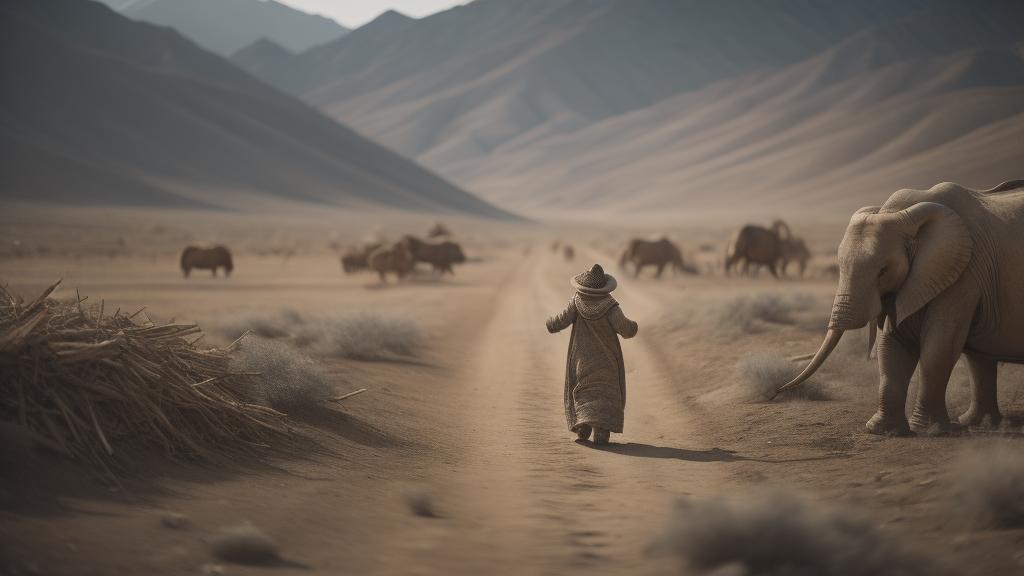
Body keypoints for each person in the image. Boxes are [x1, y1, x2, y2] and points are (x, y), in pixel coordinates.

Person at [546, 263, 638, 445]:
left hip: (581, 358)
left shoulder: (576, 302)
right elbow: (626, 330)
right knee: (605, 392)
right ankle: (602, 429)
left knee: (583, 389)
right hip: (607, 359)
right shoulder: (611, 307)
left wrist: (550, 323)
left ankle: (583, 424)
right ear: (603, 287)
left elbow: (561, 320)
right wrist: (634, 326)